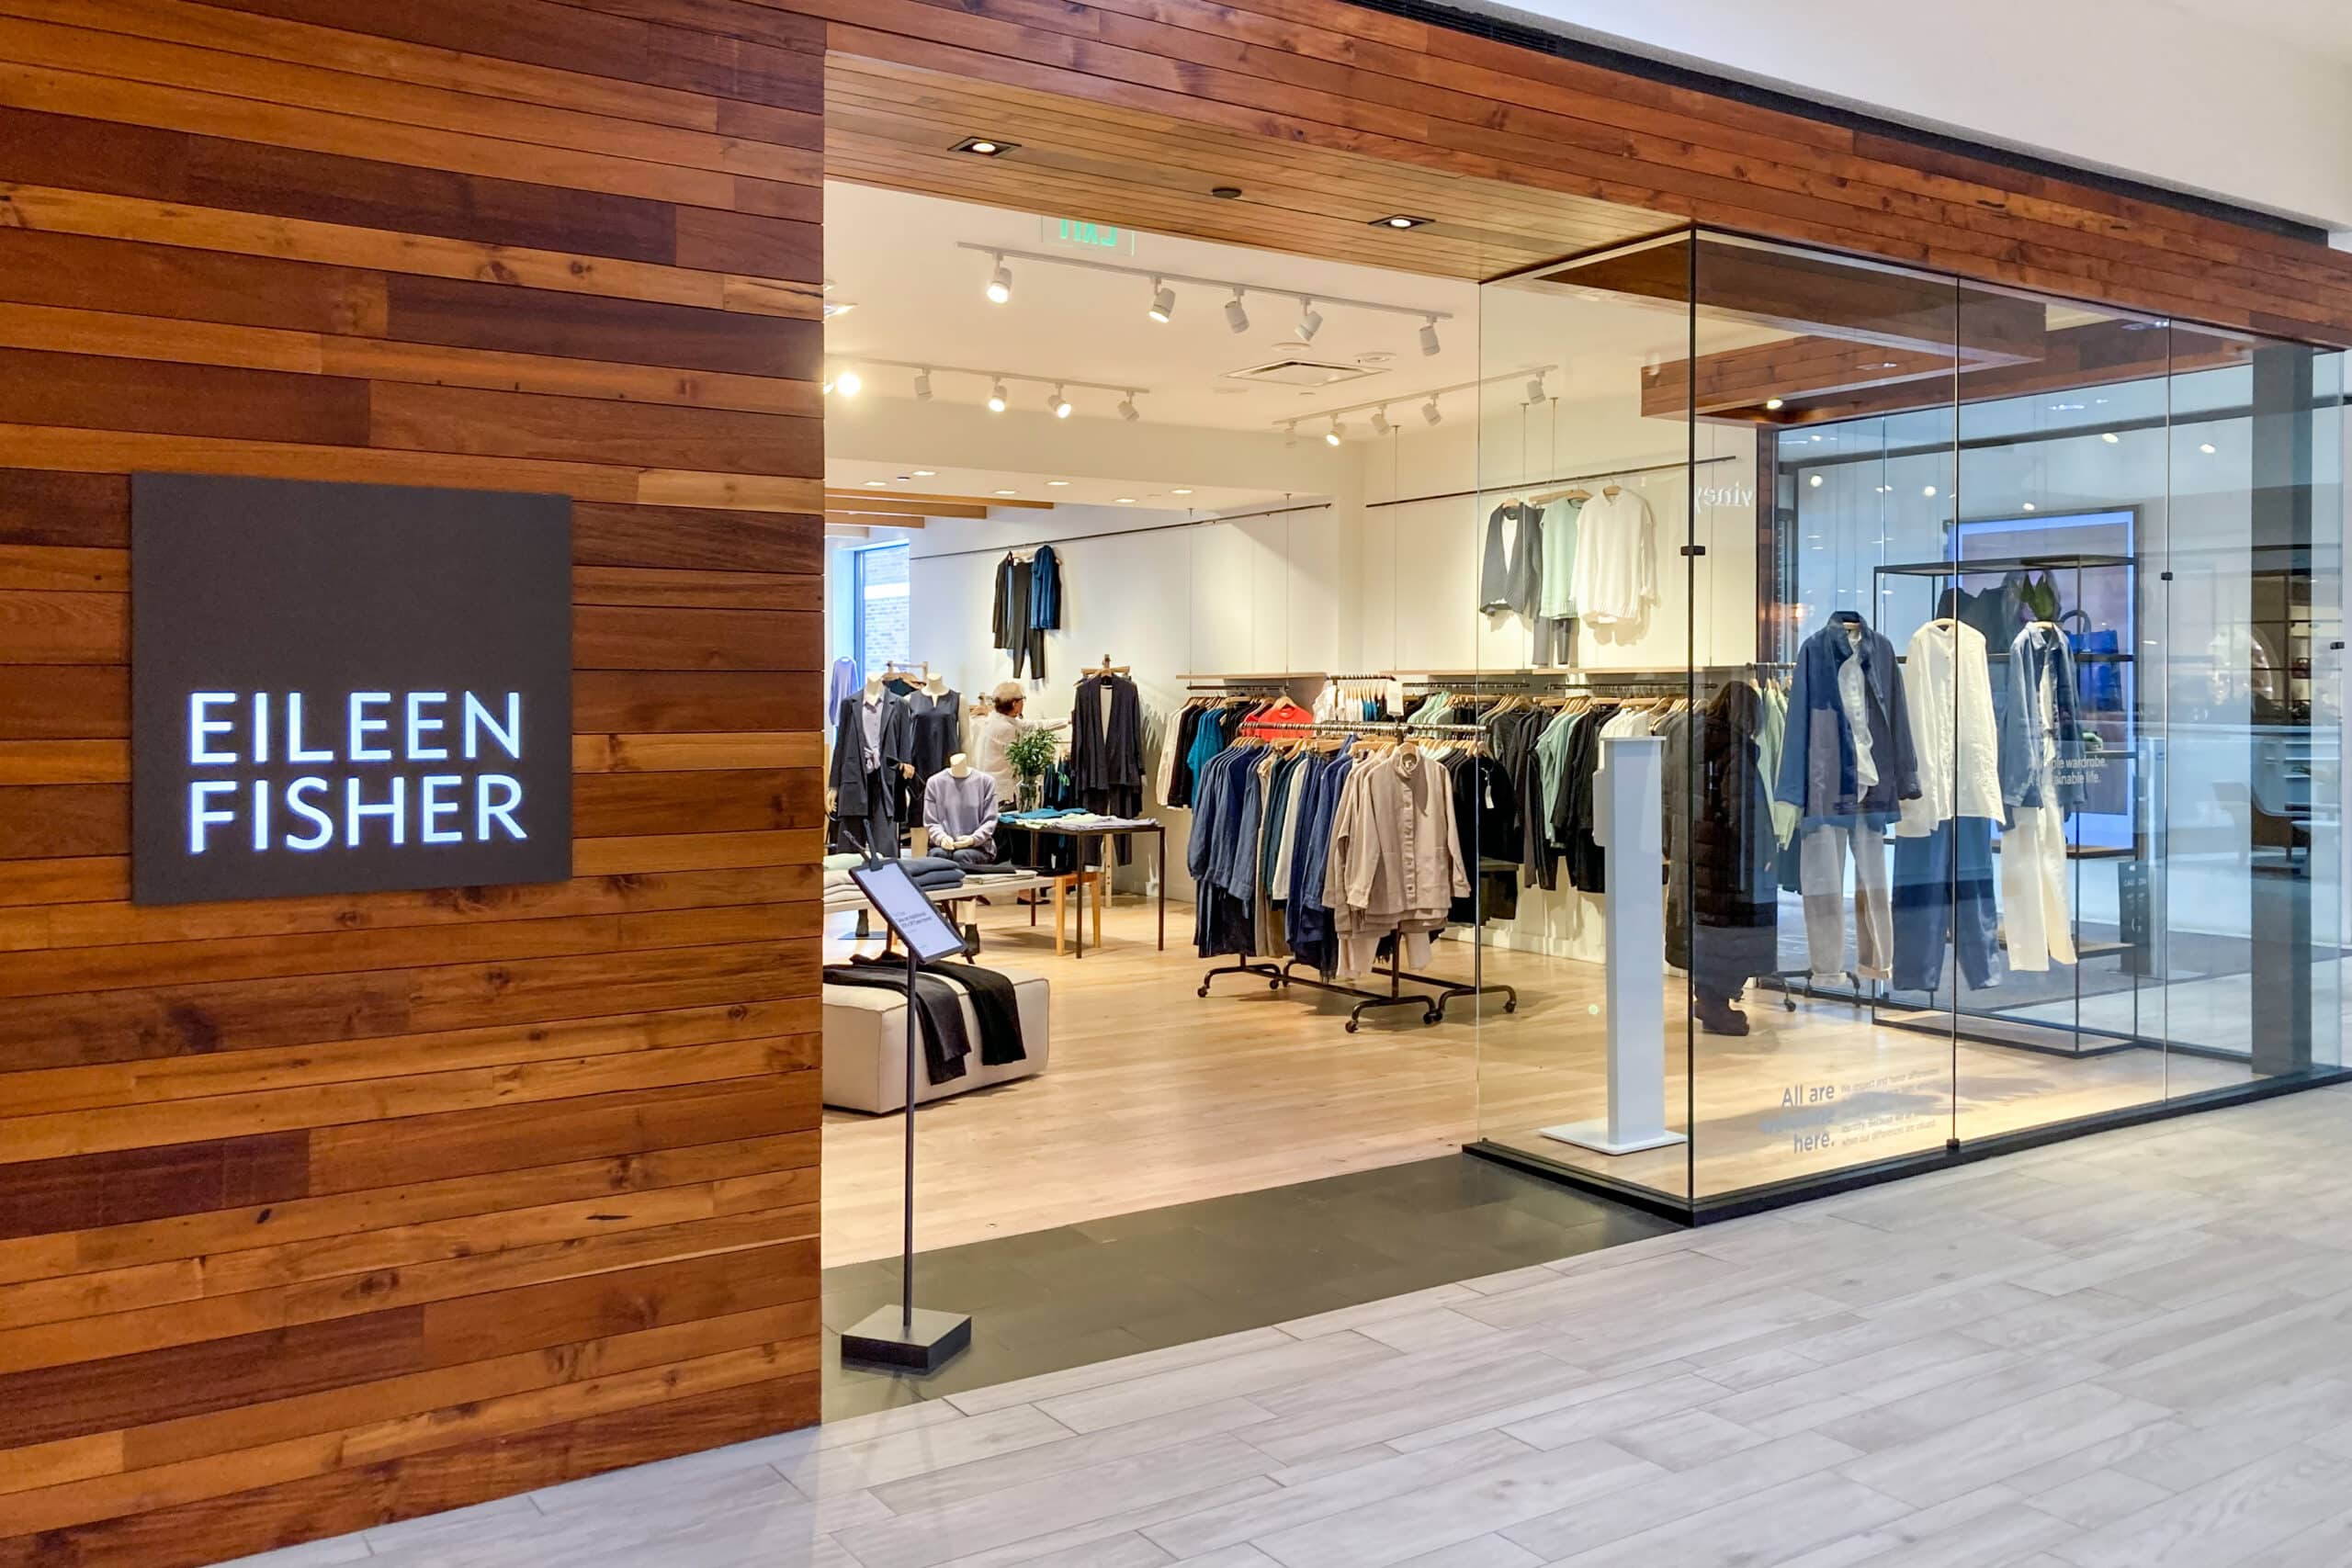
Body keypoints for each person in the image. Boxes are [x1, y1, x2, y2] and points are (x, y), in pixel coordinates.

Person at [969, 681, 1063, 803]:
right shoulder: (1005, 728)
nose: (1024, 702)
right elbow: (1019, 761)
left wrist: (1067, 721)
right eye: (1022, 699)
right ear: (1015, 703)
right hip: (1002, 792)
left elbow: (1032, 725)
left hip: (991, 788)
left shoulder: (997, 719)